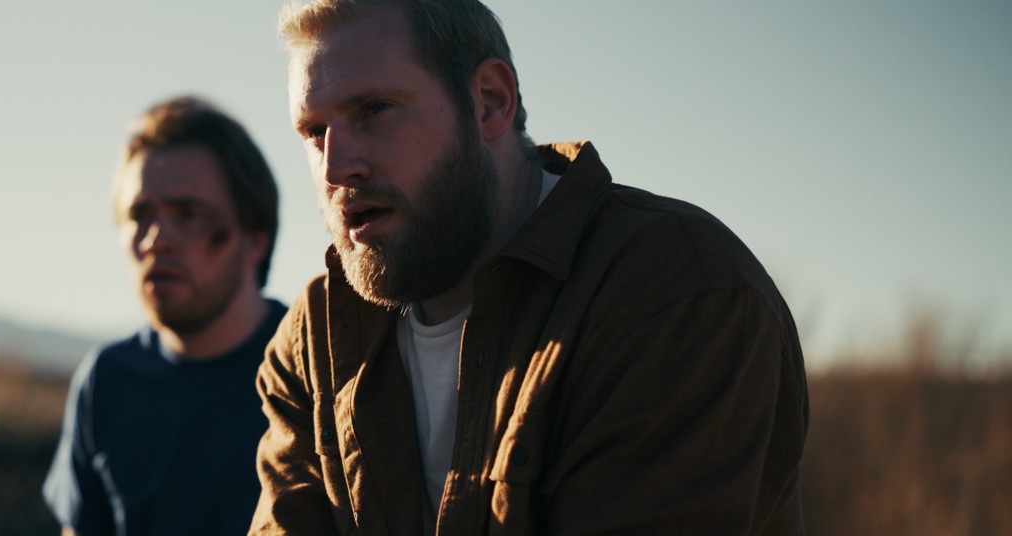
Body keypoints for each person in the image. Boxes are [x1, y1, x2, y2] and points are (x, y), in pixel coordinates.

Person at [252, 1, 809, 534]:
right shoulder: (317, 334)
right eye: (313, 131)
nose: (337, 165)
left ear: (491, 101)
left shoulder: (674, 286)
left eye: (373, 110)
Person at [43, 96, 286, 536]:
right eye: (139, 215)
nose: (156, 239)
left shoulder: (318, 373)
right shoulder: (106, 381)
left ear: (254, 239)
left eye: (188, 214)